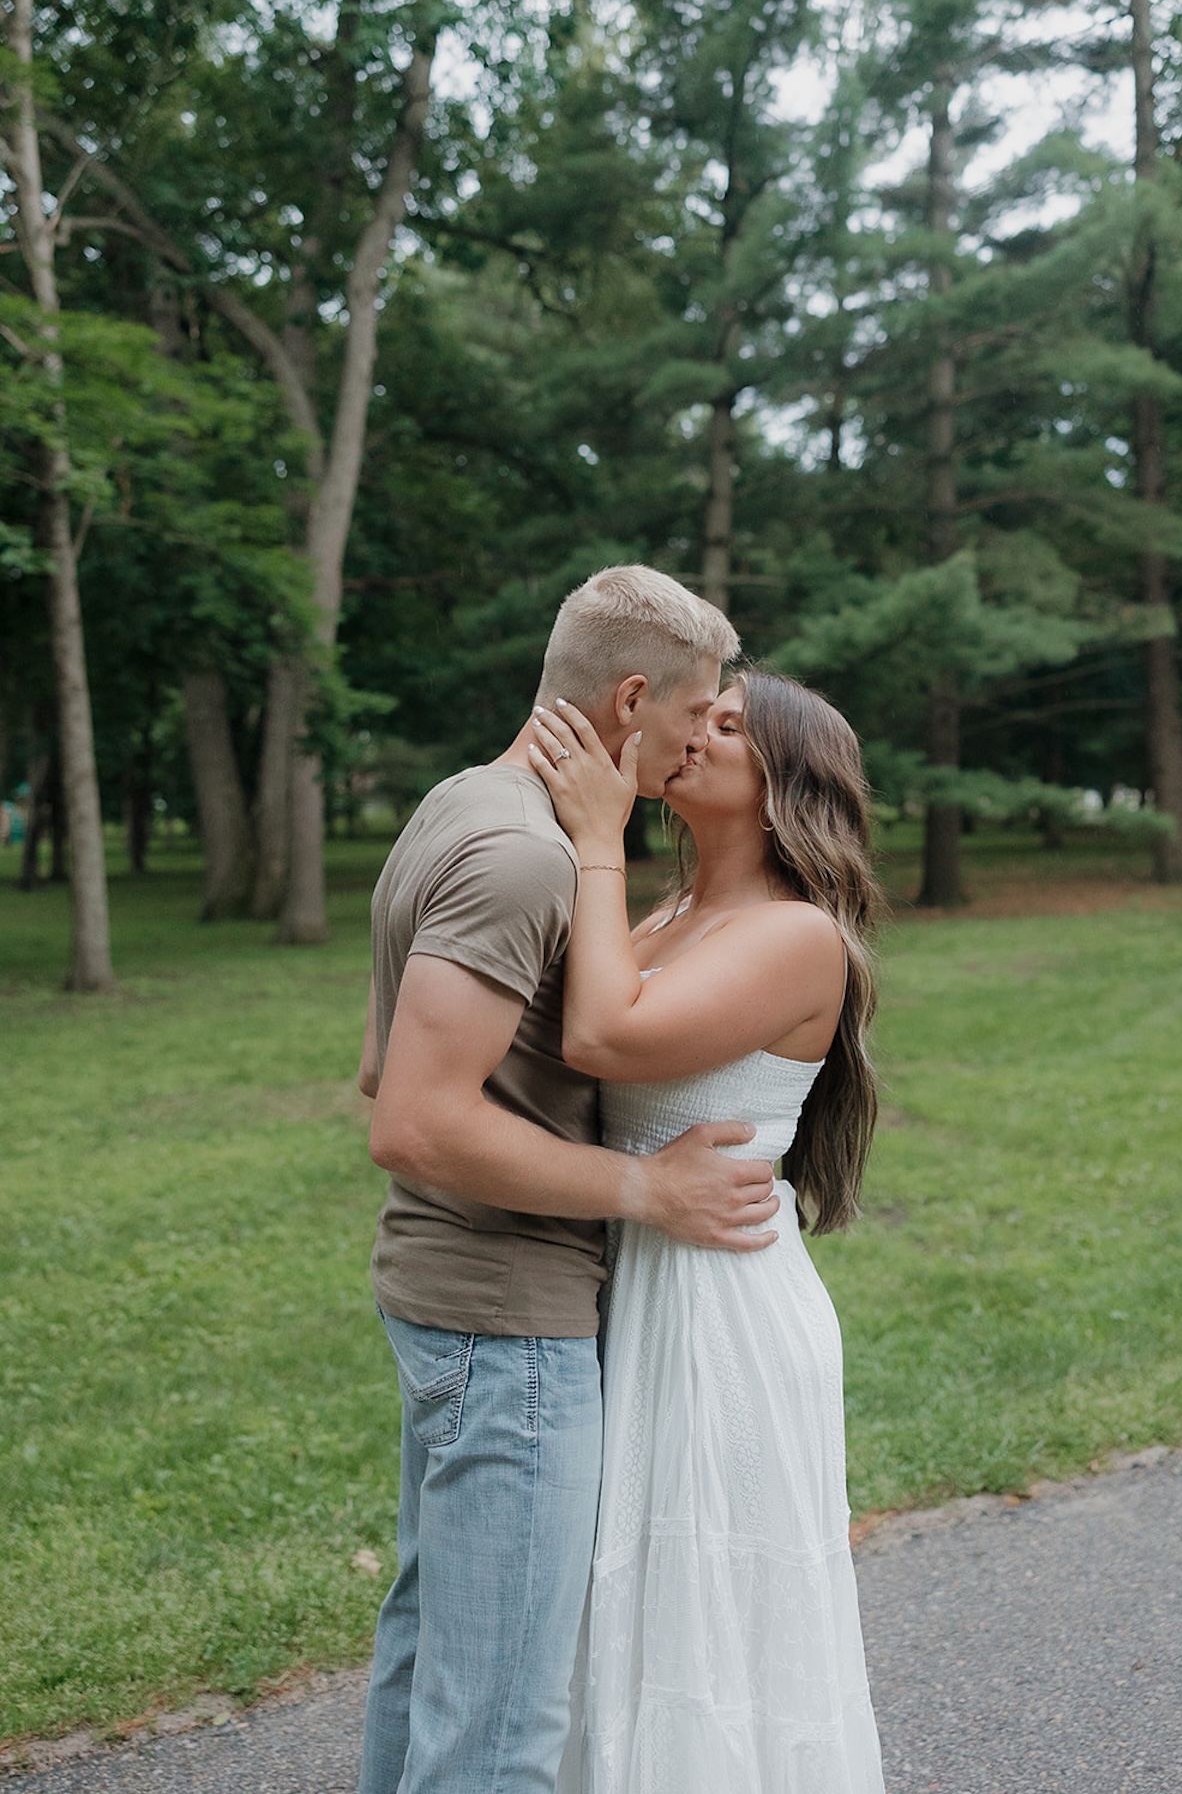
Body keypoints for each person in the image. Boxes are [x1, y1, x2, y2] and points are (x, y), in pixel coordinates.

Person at [356, 566, 784, 1794]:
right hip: (508, 1328)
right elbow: (416, 1120)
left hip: (449, 1300)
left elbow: (383, 1064)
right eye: (690, 717)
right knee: (500, 1726)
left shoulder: (458, 804)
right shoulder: (524, 858)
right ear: (630, 696)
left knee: (433, 1652)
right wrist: (649, 1192)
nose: (694, 744)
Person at [528, 670, 886, 1794]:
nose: (696, 732)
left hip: (719, 1309)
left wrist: (597, 831)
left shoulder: (796, 937)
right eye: (702, 713)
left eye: (730, 725)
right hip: (634, 1281)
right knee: (624, 1611)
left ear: (786, 783)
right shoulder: (671, 917)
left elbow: (598, 1034)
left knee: (708, 1618)